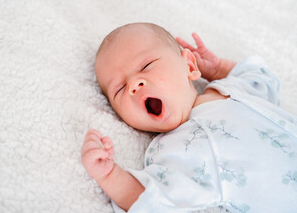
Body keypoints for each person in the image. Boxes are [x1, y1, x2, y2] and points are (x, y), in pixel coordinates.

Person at [81, 22, 297, 213]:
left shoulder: (226, 88)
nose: (134, 85)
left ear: (190, 66)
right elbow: (155, 200)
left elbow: (262, 79)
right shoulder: (175, 152)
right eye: (119, 89)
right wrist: (109, 175)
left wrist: (219, 68)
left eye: (146, 66)